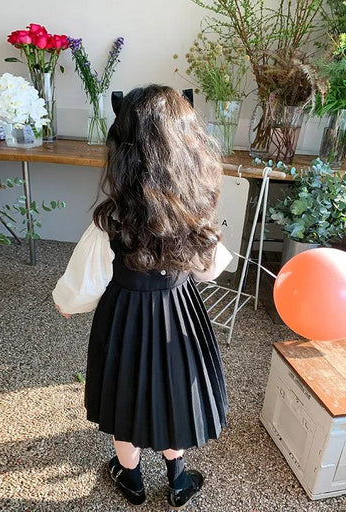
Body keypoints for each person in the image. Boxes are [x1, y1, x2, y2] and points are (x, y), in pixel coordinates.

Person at [52, 85, 231, 509]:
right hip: (178, 317)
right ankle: (178, 478)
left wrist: (67, 305)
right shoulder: (196, 216)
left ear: (122, 152)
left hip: (124, 320)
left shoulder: (110, 222)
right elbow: (211, 270)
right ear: (191, 150)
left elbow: (82, 286)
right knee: (173, 391)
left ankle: (130, 478)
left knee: (125, 393)